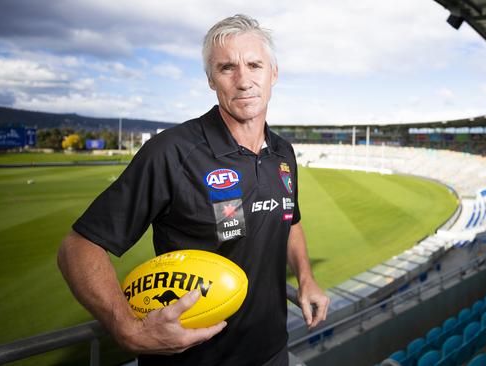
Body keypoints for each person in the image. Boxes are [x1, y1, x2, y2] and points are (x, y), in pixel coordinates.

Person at [57, 14, 329, 366]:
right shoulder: (172, 152)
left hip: (272, 352)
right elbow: (78, 248)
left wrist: (306, 279)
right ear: (211, 80)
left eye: (255, 65)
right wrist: (126, 328)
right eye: (227, 67)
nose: (244, 80)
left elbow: (289, 220)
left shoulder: (283, 152)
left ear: (273, 73)